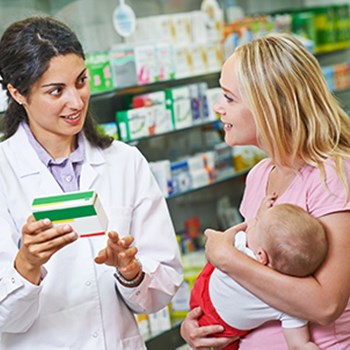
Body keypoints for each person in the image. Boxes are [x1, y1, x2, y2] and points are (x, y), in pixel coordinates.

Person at [0, 16, 183, 350]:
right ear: (17, 93)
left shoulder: (125, 162)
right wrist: (27, 264)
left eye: (81, 81)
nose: (77, 101)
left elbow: (164, 287)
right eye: (56, 90)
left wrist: (131, 271)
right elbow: (4, 319)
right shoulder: (4, 173)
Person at [180, 32, 350, 349]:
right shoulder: (260, 175)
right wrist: (208, 323)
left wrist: (226, 257)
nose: (218, 107)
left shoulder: (333, 176)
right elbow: (256, 279)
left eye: (229, 98)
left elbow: (326, 305)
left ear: (269, 107)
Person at [190, 193, 327, 350]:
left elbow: (216, 243)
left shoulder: (240, 246)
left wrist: (259, 216)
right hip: (226, 329)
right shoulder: (289, 305)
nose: (251, 226)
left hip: (207, 301)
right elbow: (298, 344)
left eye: (257, 225)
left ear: (261, 255)